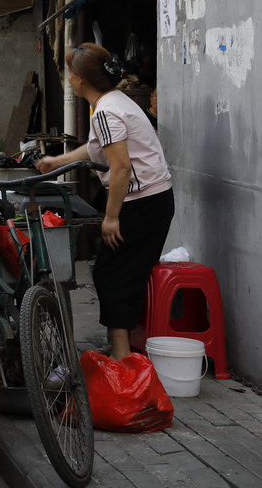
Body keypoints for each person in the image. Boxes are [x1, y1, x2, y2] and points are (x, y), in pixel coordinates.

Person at [35, 42, 174, 362]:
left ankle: (123, 356)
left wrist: (111, 218)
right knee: (114, 272)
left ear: (82, 79)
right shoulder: (111, 102)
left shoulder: (107, 112)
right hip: (152, 199)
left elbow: (122, 167)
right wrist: (58, 161)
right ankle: (120, 348)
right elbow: (96, 147)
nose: (68, 78)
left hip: (143, 203)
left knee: (113, 275)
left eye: (70, 73)